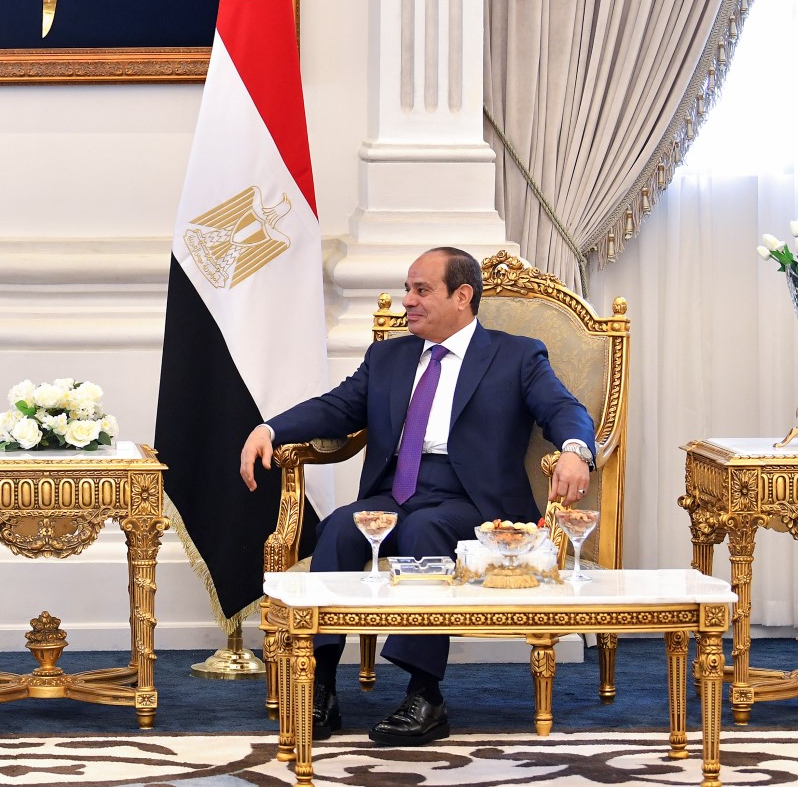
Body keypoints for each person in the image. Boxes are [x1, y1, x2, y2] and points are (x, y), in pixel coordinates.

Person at [239, 247, 594, 746]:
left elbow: (563, 409)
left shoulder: (516, 354)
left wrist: (575, 451)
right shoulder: (389, 356)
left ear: (462, 296)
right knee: (339, 526)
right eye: (408, 289)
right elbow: (336, 408)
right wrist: (271, 429)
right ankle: (320, 686)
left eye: (421, 290)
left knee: (426, 530)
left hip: (473, 500)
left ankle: (425, 695)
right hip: (397, 491)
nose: (408, 300)